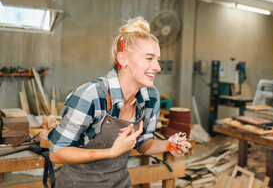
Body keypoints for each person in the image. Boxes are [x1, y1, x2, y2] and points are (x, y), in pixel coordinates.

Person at [48, 17, 191, 187]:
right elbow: (57, 153)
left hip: (120, 183)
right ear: (123, 59)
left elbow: (144, 143)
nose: (157, 67)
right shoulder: (92, 95)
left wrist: (169, 145)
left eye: (158, 60)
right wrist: (111, 152)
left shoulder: (150, 97)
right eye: (149, 58)